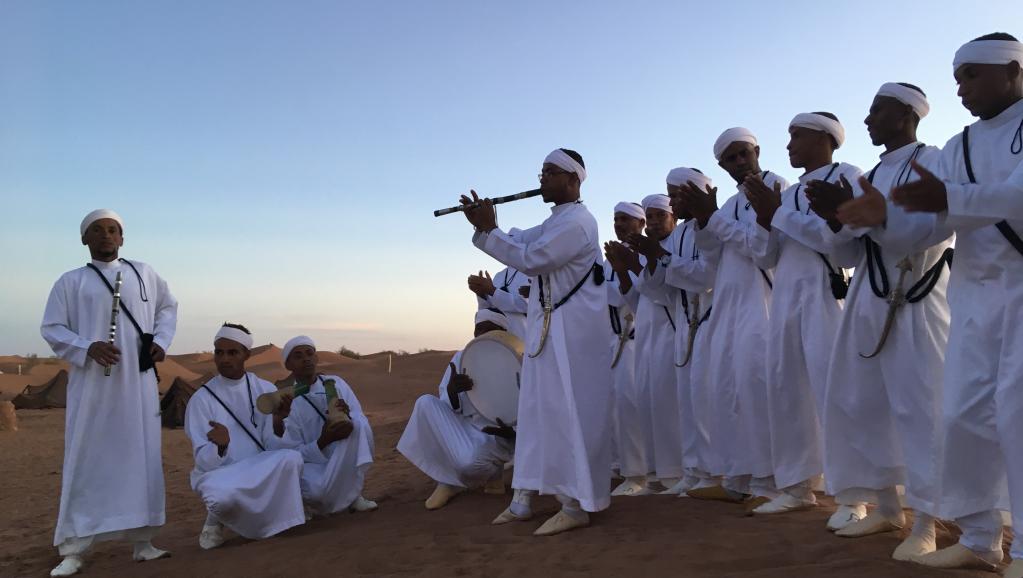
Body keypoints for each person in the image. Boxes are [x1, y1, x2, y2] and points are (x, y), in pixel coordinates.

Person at [871, 33, 1023, 574]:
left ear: (1014, 72)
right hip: (974, 299)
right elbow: (931, 226)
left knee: (1018, 414)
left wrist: (950, 199)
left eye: (973, 75)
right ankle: (982, 537)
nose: (961, 87)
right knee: (963, 416)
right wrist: (878, 218)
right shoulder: (957, 146)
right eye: (957, 77)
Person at [821, 83, 951, 560]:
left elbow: (930, 232)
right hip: (868, 298)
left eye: (878, 109)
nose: (869, 118)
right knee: (865, 402)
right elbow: (848, 251)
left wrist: (879, 217)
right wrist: (836, 219)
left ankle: (928, 522)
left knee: (920, 409)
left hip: (915, 295)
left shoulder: (934, 160)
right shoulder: (870, 174)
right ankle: (886, 506)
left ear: (907, 114)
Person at [459, 148, 612, 536]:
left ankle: (575, 504)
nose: (541, 178)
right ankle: (522, 500)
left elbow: (533, 258)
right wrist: (485, 224)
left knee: (567, 414)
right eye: (541, 171)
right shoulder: (557, 220)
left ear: (573, 180)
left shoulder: (578, 223)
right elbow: (520, 240)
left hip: (570, 337)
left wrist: (490, 231)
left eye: (550, 172)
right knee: (535, 416)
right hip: (548, 333)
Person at [41, 209, 178, 577]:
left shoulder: (144, 273)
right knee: (88, 457)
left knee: (141, 456)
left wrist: (161, 341)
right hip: (94, 387)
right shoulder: (70, 282)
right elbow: (51, 328)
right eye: (97, 231)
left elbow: (168, 308)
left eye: (113, 230)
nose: (106, 236)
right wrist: (87, 346)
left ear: (123, 237)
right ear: (84, 239)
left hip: (138, 384)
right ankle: (74, 547)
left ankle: (143, 541)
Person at [744, 112, 864, 522]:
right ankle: (796, 486)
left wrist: (778, 214)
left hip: (824, 292)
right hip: (786, 297)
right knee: (786, 389)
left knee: (835, 389)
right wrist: (766, 220)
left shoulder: (848, 175)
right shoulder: (790, 192)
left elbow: (837, 243)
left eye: (797, 135)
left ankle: (853, 495)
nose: (790, 144)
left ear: (824, 137)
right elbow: (765, 256)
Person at [681, 130, 790, 505]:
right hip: (727, 307)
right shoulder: (727, 204)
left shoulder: (778, 188)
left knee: (757, 391)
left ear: (757, 151)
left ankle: (771, 482)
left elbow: (763, 249)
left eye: (743, 154)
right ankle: (738, 477)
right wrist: (702, 221)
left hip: (762, 305)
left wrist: (714, 220)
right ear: (722, 166)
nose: (740, 162)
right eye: (731, 159)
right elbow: (712, 261)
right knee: (727, 391)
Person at [630, 168, 720, 495]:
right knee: (688, 403)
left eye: (676, 195)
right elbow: (662, 291)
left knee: (706, 400)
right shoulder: (681, 235)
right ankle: (695, 472)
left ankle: (713, 473)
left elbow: (706, 278)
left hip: (709, 321)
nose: (672, 201)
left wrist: (662, 260)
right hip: (686, 323)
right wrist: (652, 262)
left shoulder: (710, 228)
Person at [184, 324, 305, 550]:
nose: (224, 359)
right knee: (219, 497)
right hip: (223, 473)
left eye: (232, 353)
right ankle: (214, 521)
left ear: (246, 355)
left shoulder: (263, 388)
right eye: (219, 352)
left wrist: (278, 420)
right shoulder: (201, 399)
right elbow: (203, 460)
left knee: (292, 459)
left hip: (258, 465)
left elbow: (271, 443)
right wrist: (221, 447)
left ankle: (274, 519)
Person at [397, 309, 517, 509]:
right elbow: (446, 402)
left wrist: (512, 433)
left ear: (502, 333)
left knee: (469, 464)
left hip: (497, 435)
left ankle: (456, 480)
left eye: (489, 330)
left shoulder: (516, 359)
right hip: (465, 426)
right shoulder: (462, 357)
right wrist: (453, 392)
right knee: (425, 403)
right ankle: (452, 479)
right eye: (479, 330)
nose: (482, 335)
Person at [280, 335, 377, 517]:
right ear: (288, 365)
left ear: (316, 358)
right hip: (312, 464)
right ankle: (306, 505)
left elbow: (359, 418)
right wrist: (323, 440)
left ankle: (354, 496)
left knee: (358, 421)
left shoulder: (337, 383)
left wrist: (346, 416)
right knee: (317, 492)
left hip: (342, 451)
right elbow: (292, 452)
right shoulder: (287, 401)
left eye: (310, 354)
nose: (306, 359)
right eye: (298, 356)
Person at [603, 202, 653, 496]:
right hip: (610, 341)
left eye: (626, 219)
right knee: (613, 408)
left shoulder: (644, 254)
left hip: (632, 340)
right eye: (616, 218)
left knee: (630, 407)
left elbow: (628, 295)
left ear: (641, 224)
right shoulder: (609, 258)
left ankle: (638, 475)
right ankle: (619, 465)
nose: (619, 224)